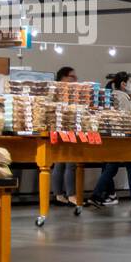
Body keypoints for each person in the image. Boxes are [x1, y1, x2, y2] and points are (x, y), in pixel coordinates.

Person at [88, 73, 131, 208]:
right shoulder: (123, 97)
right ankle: (96, 194)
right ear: (123, 83)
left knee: (120, 167)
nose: (130, 85)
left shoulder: (111, 95)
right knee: (120, 167)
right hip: (124, 137)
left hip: (113, 136)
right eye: (129, 82)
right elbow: (127, 117)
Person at [50, 66, 79, 205]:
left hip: (56, 130)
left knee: (59, 162)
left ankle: (58, 195)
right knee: (70, 162)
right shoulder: (66, 92)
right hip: (68, 129)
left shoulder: (54, 91)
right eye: (72, 77)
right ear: (64, 77)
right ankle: (72, 195)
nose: (76, 79)